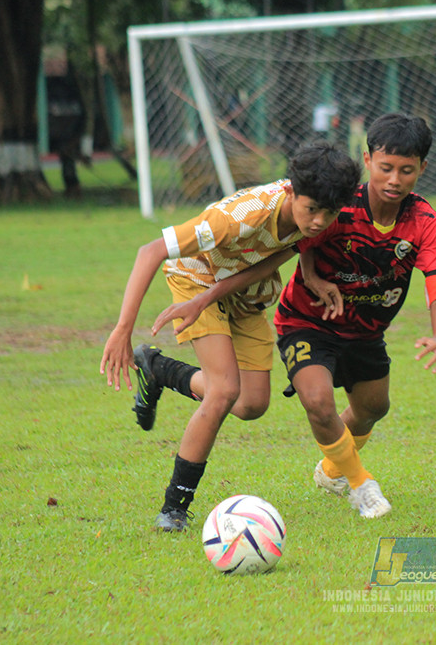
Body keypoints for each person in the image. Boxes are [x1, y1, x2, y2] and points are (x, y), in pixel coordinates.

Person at [100, 141, 361, 532]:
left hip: (237, 292)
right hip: (196, 278)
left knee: (251, 403)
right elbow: (150, 251)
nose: (320, 221)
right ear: (291, 192)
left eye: (329, 213)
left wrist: (308, 273)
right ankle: (174, 508)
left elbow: (290, 247)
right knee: (223, 391)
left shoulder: (319, 213)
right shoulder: (240, 217)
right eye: (312, 210)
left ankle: (157, 369)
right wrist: (122, 329)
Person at [274, 113, 436, 519]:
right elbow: (304, 238)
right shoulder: (340, 206)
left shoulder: (422, 220)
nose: (394, 179)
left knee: (374, 407)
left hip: (366, 330)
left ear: (422, 169)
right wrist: (312, 277)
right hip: (309, 319)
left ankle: (331, 469)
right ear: (368, 159)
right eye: (386, 167)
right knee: (319, 402)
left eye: (406, 171)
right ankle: (361, 486)